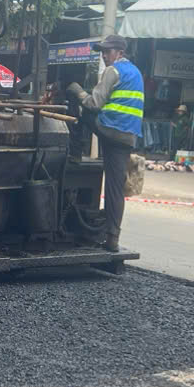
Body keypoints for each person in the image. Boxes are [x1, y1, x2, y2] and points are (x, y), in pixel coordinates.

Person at [66, 34, 144, 252]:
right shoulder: (136, 72)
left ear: (120, 53)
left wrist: (77, 91)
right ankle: (112, 238)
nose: (104, 56)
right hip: (128, 137)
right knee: (114, 188)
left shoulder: (113, 70)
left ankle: (75, 152)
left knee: (81, 107)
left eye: (107, 52)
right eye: (102, 52)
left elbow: (94, 103)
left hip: (110, 130)